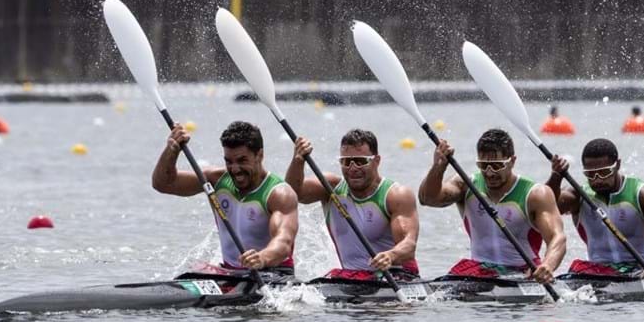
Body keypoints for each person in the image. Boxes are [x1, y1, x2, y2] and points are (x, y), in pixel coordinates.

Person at [419, 128, 566, 284]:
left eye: (497, 165)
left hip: (523, 272)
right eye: (483, 165)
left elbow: (558, 237)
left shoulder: (536, 194)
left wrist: (548, 265)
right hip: (478, 271)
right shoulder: (466, 184)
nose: (489, 173)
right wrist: (438, 167)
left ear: (512, 161)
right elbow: (427, 199)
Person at [152, 121, 298, 273]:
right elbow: (163, 184)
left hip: (273, 273)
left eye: (242, 160)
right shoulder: (215, 180)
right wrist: (171, 151)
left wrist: (262, 258)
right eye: (229, 161)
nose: (235, 169)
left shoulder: (279, 194)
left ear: (259, 155)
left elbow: (284, 243)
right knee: (196, 270)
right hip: (230, 273)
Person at [285, 129, 420, 280]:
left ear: (376, 161)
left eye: (361, 161)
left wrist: (390, 255)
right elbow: (292, 194)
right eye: (347, 162)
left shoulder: (396, 195)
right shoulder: (330, 187)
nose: (353, 168)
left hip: (395, 274)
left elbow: (409, 245)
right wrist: (298, 160)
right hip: (352, 278)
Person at [547, 138, 644, 282]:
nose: (597, 180)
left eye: (604, 172)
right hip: (598, 272)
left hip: (642, 270)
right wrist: (556, 176)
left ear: (618, 165)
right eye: (591, 174)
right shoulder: (577, 195)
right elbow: (545, 209)